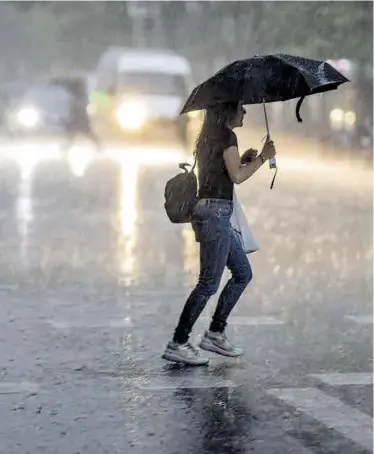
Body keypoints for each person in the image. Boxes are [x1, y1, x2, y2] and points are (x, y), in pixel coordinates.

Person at [162, 101, 276, 366]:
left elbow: (223, 172)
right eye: (240, 108)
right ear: (228, 111)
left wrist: (245, 159)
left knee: (242, 273)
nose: (244, 112)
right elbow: (237, 177)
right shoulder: (227, 136)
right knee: (208, 283)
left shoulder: (209, 137)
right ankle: (178, 341)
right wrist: (262, 157)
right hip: (216, 214)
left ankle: (215, 332)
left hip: (210, 211)